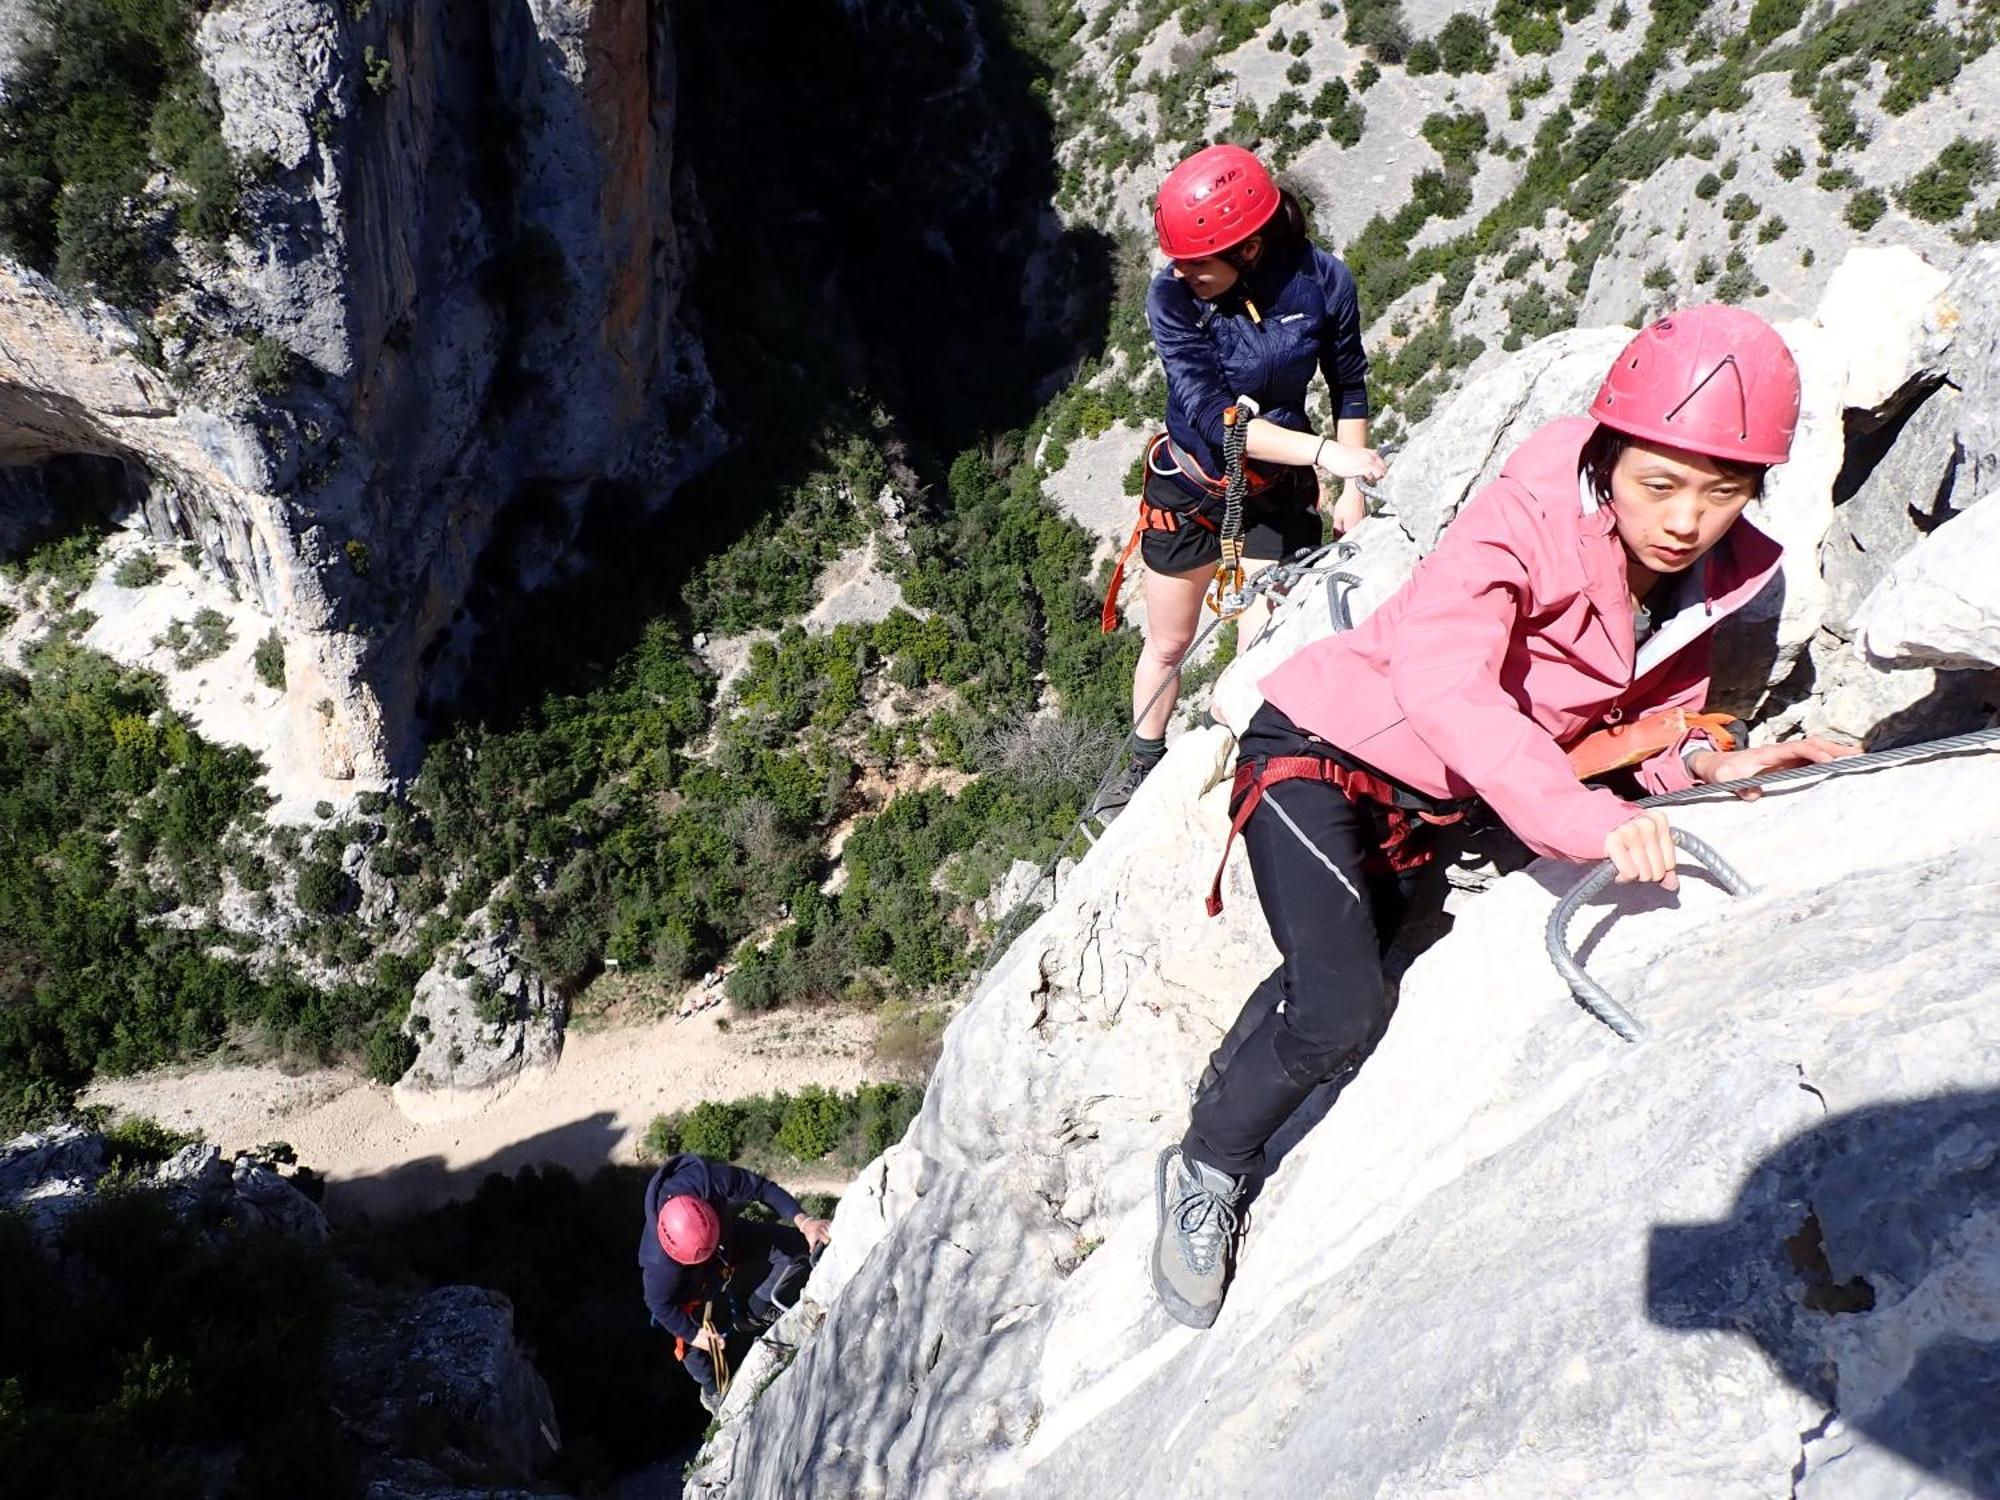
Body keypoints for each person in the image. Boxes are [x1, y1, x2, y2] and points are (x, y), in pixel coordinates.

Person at [1149, 304, 1861, 1329]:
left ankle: (1239, 1068)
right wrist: (1580, 822)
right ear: (1608, 456)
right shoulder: (1522, 515)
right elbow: (1447, 680)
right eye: (1658, 484)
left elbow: (1649, 720)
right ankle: (1206, 1167)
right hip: (1321, 753)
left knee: (1341, 964)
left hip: (1439, 799)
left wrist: (1719, 758)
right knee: (1346, 1008)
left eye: (1721, 491)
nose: (1682, 519)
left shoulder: (1714, 573)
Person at [1094, 142, 1388, 823]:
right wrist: (1325, 455)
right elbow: (1215, 418)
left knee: (1257, 640)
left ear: (1249, 248)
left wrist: (1353, 489)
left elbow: (1348, 382)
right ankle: (1141, 765)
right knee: (1168, 641)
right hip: (1193, 484)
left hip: (1272, 495)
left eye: (1198, 262)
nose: (1181, 272)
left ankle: (1245, 761)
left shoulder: (1322, 282)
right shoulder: (1174, 296)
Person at [639, 1152, 833, 1410]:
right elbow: (659, 1305)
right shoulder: (660, 1267)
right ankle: (714, 1393)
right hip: (692, 1285)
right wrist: (694, 1334)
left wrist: (804, 1221)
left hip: (726, 1238)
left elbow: (760, 1188)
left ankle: (755, 1311)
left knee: (798, 1248)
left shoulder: (705, 1181)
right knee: (698, 1350)